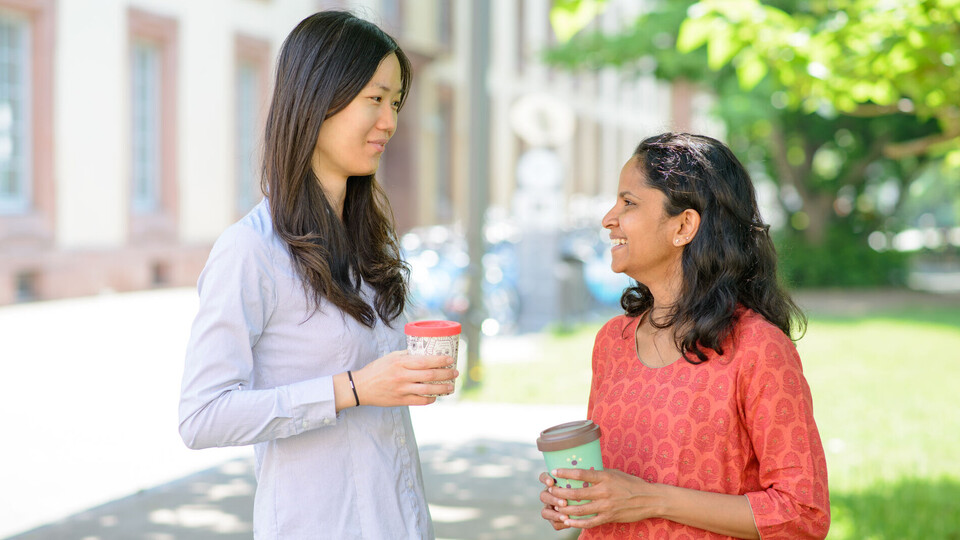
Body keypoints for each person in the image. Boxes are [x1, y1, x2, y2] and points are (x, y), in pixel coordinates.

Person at [178, 11, 456, 539]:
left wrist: (416, 371)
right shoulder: (251, 250)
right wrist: (351, 388)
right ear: (317, 98)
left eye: (395, 102)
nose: (390, 121)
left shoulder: (371, 242)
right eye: (374, 99)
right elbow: (202, 417)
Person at [538, 133, 830, 539]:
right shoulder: (612, 341)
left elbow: (802, 512)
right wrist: (580, 497)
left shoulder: (758, 349)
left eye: (629, 203)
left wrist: (651, 499)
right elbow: (614, 484)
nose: (608, 218)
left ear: (684, 225)